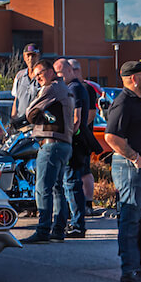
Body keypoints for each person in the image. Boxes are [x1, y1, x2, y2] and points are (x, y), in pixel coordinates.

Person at [104, 61, 141, 282]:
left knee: (139, 219)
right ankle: (129, 270)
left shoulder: (139, 101)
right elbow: (111, 137)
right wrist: (136, 159)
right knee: (130, 219)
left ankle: (136, 265)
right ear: (134, 79)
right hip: (130, 167)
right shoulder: (123, 102)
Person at [25, 59, 74, 243]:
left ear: (51, 71)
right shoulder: (66, 89)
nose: (38, 78)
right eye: (36, 75)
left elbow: (30, 111)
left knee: (43, 188)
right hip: (64, 144)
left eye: (40, 74)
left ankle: (43, 230)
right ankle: (58, 229)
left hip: (51, 143)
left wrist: (35, 116)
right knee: (57, 188)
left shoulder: (51, 88)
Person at [55, 58, 90, 238]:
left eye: (60, 74)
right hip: (75, 141)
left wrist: (67, 137)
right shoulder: (75, 87)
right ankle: (75, 223)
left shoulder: (74, 88)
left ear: (69, 71)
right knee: (71, 183)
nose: (58, 78)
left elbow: (76, 119)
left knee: (71, 183)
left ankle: (77, 225)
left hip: (74, 142)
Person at [70, 59, 99, 216]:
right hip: (74, 137)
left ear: (75, 70)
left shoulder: (86, 88)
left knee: (85, 170)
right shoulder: (71, 88)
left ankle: (88, 203)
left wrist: (79, 127)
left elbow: (92, 113)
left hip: (83, 137)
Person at [11, 44, 41, 123]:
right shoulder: (19, 76)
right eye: (28, 55)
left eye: (33, 55)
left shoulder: (42, 76)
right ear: (24, 57)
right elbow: (16, 99)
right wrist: (13, 118)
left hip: (37, 122)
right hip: (21, 121)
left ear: (38, 57)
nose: (30, 58)